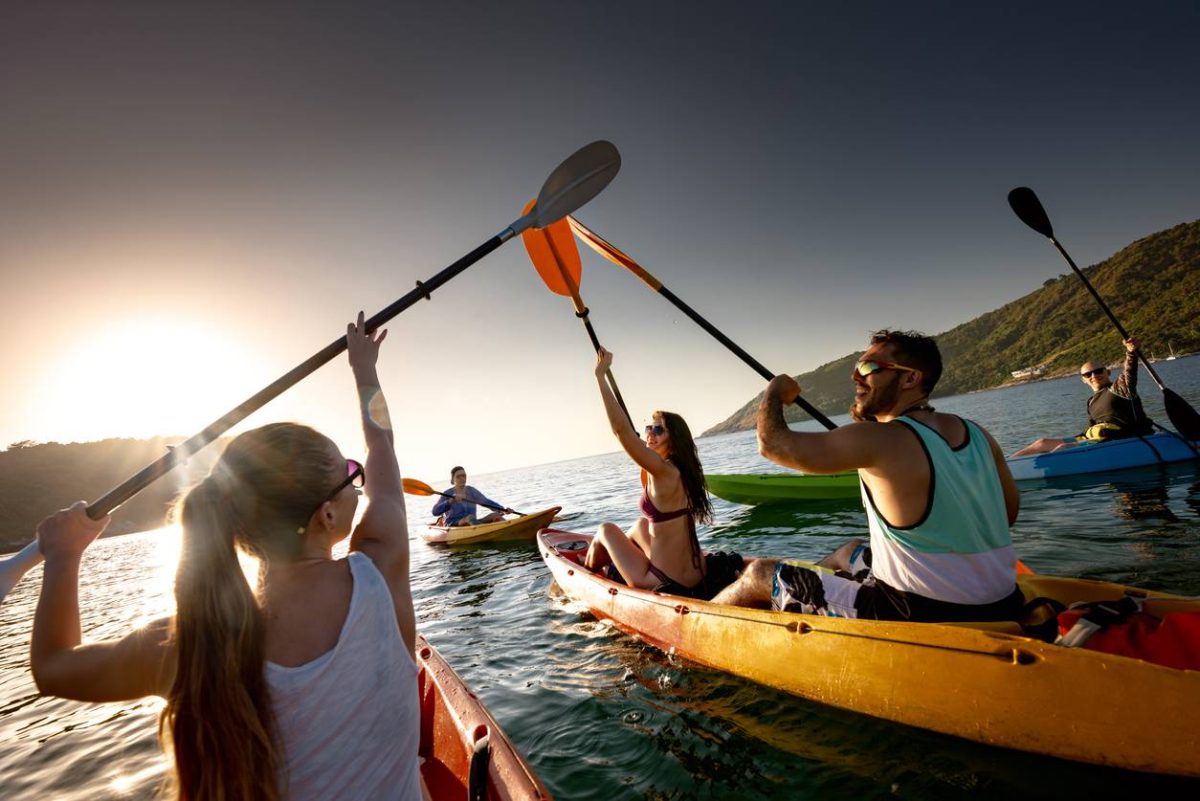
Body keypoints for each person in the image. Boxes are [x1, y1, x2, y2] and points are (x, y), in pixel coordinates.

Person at [30, 312, 422, 801]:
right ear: (324, 515)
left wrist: (64, 557)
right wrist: (365, 371)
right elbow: (380, 440)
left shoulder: (184, 644)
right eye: (349, 475)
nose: (359, 487)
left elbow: (52, 668)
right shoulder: (379, 569)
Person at [712, 330, 1023, 623]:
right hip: (1006, 599)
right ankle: (801, 602)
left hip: (915, 611)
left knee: (760, 575)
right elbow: (1007, 515)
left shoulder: (881, 438)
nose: (855, 375)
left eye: (869, 366)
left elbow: (772, 444)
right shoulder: (979, 434)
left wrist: (776, 390)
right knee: (850, 552)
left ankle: (706, 618)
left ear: (910, 378)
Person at [582, 348, 715, 598]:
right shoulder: (681, 469)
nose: (650, 433)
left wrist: (600, 375)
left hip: (664, 580)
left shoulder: (663, 472)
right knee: (640, 525)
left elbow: (621, 432)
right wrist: (639, 442)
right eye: (648, 428)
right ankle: (613, 561)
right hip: (698, 573)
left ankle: (586, 572)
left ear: (673, 441)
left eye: (658, 430)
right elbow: (632, 439)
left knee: (606, 530)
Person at [1012, 337, 1152, 456]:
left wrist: (1131, 352)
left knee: (1062, 449)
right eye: (1088, 374)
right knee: (1041, 443)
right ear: (1083, 380)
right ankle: (1005, 465)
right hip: (1098, 438)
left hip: (1124, 438)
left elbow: (1129, 373)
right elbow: (1090, 429)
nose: (1094, 376)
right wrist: (1076, 440)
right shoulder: (1091, 402)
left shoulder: (1120, 388)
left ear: (1108, 372)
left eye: (1098, 371)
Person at [431, 466, 513, 526]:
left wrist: (503, 510)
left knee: (495, 515)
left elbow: (487, 502)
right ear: (453, 479)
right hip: (454, 524)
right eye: (458, 476)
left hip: (472, 522)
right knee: (469, 517)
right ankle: (482, 534)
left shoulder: (471, 491)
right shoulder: (447, 493)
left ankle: (509, 528)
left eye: (464, 476)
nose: (462, 478)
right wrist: (450, 501)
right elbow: (435, 512)